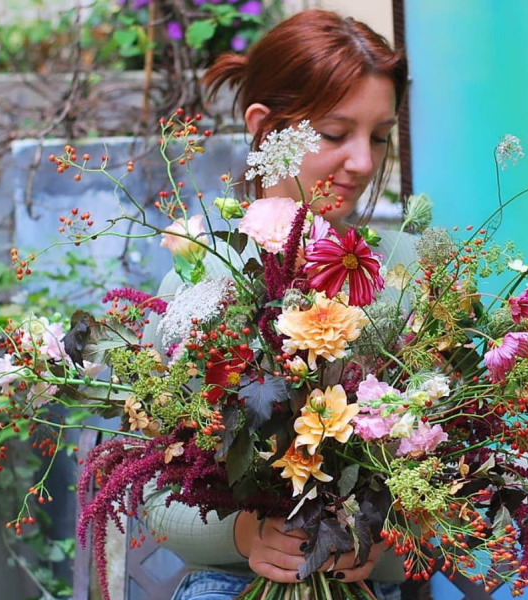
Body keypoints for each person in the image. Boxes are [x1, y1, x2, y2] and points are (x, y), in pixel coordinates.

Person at [141, 8, 413, 600]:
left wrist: (381, 543)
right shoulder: (201, 279)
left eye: (379, 136)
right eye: (336, 134)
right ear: (265, 129)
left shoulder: (402, 274)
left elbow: (453, 486)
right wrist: (244, 535)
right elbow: (154, 495)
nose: (364, 162)